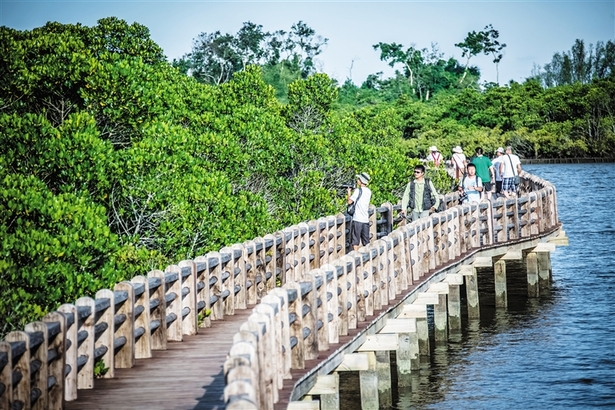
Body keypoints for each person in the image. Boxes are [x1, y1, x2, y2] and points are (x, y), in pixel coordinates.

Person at [347, 172, 372, 251]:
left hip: (357, 219)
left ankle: (356, 256)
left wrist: (349, 193)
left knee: (355, 241)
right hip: (365, 219)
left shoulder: (358, 191)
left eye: (358, 179)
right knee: (366, 241)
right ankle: (367, 257)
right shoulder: (369, 192)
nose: (357, 180)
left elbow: (349, 202)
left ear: (361, 181)